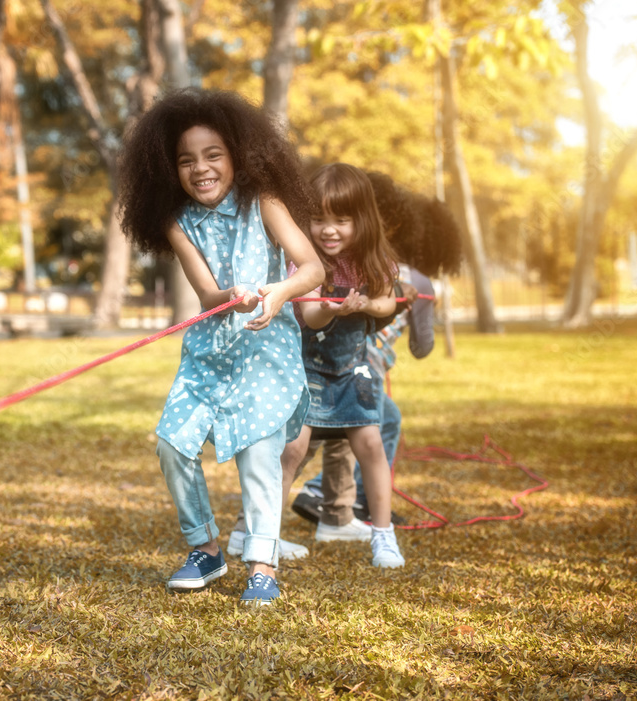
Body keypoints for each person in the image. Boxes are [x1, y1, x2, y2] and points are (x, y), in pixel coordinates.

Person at [117, 88, 324, 605]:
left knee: (259, 456)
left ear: (237, 156)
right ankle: (205, 549)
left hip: (264, 350)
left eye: (213, 155)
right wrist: (227, 296)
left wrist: (279, 291)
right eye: (187, 160)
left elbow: (313, 266)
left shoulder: (265, 203)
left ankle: (262, 566)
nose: (201, 169)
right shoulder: (176, 221)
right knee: (172, 442)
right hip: (208, 352)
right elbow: (206, 291)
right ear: (171, 169)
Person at [279, 162, 406, 569]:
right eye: (318, 219)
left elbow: (389, 302)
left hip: (354, 368)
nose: (329, 230)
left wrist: (365, 304)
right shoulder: (305, 260)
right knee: (292, 449)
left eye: (341, 220)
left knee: (370, 443)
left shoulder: (373, 258)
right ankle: (262, 534)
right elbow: (312, 316)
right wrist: (333, 311)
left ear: (362, 220)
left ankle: (383, 536)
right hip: (308, 367)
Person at [292, 265, 435, 528]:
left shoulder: (372, 262)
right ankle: (317, 495)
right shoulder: (415, 278)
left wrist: (391, 301)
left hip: (348, 363)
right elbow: (422, 346)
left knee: (378, 425)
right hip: (352, 365)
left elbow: (379, 308)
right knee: (300, 445)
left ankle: (343, 508)